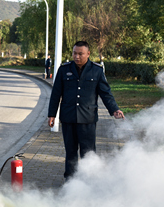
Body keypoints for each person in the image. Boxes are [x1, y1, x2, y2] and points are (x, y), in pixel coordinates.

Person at [48, 41, 125, 179]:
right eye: (74, 53)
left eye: (80, 54)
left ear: (88, 54)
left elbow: (105, 93)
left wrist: (114, 109)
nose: (76, 56)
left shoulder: (97, 70)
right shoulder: (64, 69)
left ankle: (89, 179)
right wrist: (52, 115)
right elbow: (56, 94)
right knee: (70, 151)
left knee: (88, 152)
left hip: (88, 119)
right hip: (68, 117)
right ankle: (70, 180)